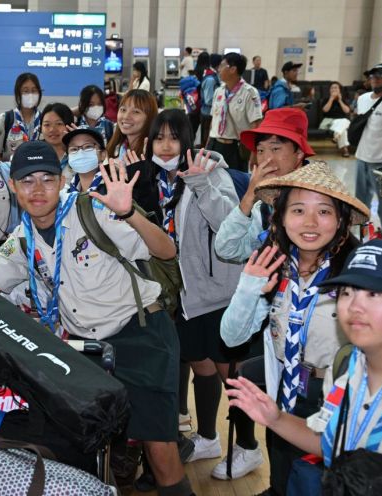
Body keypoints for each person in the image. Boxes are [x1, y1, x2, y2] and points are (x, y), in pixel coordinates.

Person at [0, 139, 197, 496]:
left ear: (62, 179)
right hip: (86, 349)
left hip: (142, 335)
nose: (38, 190)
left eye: (47, 179)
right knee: (89, 449)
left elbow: (166, 251)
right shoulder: (23, 240)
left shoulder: (92, 211)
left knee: (160, 450)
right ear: (15, 187)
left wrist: (130, 214)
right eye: (27, 181)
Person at [220, 161, 369, 495]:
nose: (310, 223)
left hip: (336, 396)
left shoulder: (358, 273)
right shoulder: (273, 265)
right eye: (298, 210)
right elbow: (232, 337)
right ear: (281, 217)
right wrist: (248, 287)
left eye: (324, 212)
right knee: (284, 471)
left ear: (341, 219)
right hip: (285, 387)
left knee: (329, 481)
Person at [225, 238, 382, 487]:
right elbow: (330, 442)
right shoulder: (347, 366)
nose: (355, 306)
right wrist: (276, 419)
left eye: (374, 294)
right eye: (346, 292)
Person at [143, 109, 257, 479]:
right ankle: (209, 437)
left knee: (231, 376)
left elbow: (230, 226)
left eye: (173, 138)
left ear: (187, 140)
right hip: (184, 295)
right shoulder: (152, 177)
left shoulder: (211, 170)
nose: (165, 146)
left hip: (218, 292)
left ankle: (249, 448)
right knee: (201, 365)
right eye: (158, 138)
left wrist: (202, 185)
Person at [214, 108, 314, 263]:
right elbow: (226, 249)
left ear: (299, 153)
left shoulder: (323, 198)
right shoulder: (264, 206)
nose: (267, 159)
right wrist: (249, 197)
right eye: (260, 150)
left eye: (275, 149)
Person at [354, 63, 382, 236]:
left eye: (379, 76)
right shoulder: (362, 99)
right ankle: (362, 235)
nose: (374, 80)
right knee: (360, 203)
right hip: (361, 157)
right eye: (372, 76)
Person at [206, 52, 263, 172]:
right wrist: (207, 145)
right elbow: (214, 120)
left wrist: (254, 152)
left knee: (235, 183)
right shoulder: (219, 91)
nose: (218, 69)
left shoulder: (250, 93)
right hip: (215, 143)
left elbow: (256, 124)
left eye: (222, 66)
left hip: (235, 148)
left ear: (233, 69)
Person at [0, 73, 43, 161]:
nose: (30, 94)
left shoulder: (45, 120)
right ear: (18, 93)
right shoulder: (5, 119)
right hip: (11, 173)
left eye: (34, 91)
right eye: (26, 91)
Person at [107, 89, 159, 160]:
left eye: (136, 112)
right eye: (123, 110)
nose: (126, 116)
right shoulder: (121, 147)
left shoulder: (153, 152)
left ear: (150, 117)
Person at [39, 102, 74, 178]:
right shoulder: (34, 155)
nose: (52, 129)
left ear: (69, 126)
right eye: (47, 125)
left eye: (59, 124)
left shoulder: (78, 155)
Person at [320, 81, 352, 157]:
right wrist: (331, 99)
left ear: (339, 90)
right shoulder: (326, 99)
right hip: (329, 121)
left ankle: (337, 136)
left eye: (336, 88)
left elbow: (347, 111)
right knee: (345, 122)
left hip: (340, 122)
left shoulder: (343, 100)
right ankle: (344, 149)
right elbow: (325, 110)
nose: (334, 89)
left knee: (344, 121)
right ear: (329, 90)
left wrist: (340, 100)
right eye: (332, 88)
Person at [199, 54, 222, 148]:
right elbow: (208, 100)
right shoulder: (210, 79)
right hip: (208, 114)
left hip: (210, 113)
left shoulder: (213, 76)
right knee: (206, 142)